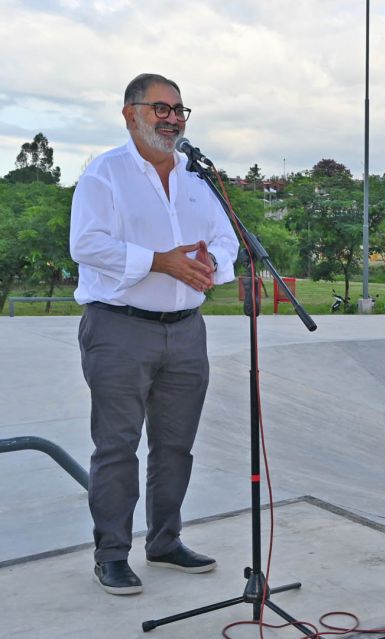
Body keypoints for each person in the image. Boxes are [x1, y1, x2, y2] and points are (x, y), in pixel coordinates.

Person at [70, 73, 239, 595]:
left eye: (180, 110)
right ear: (130, 113)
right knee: (117, 447)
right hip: (120, 329)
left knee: (175, 447)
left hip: (187, 333)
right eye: (160, 108)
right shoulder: (106, 174)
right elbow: (87, 244)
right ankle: (112, 555)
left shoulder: (196, 178)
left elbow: (226, 238)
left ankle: (165, 542)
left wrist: (214, 263)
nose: (172, 118)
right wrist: (160, 262)